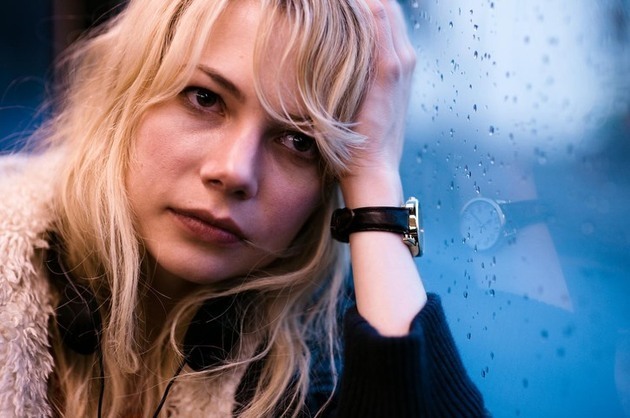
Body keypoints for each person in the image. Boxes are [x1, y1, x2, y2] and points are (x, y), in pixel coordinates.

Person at [0, 0, 486, 416]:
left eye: (298, 141)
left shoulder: (318, 359)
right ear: (127, 92)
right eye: (205, 98)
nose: (235, 171)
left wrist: (375, 181)